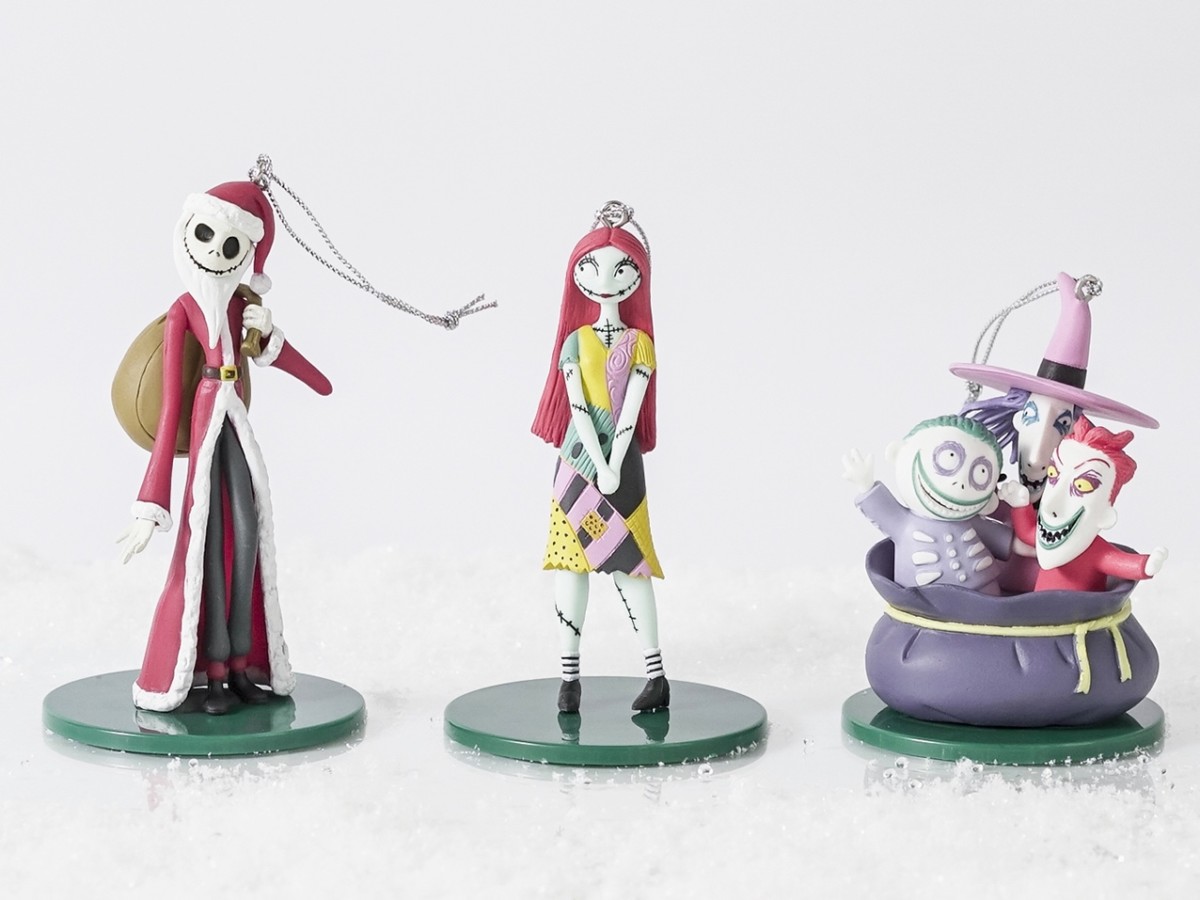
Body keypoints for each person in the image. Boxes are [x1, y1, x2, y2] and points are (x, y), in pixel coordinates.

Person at [118, 180, 332, 714]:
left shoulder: (241, 305)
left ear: (247, 256)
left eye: (231, 244)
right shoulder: (183, 311)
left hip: (234, 418)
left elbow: (290, 364)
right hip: (206, 418)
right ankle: (213, 672)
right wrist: (150, 505)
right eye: (206, 235)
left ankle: (240, 665)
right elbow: (169, 409)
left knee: (247, 530)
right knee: (208, 543)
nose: (216, 251)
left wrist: (271, 335)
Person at [531, 204, 667, 713]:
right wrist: (601, 464)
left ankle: (656, 674)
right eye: (590, 267)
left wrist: (615, 464)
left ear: (638, 277)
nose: (605, 280)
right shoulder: (574, 341)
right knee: (571, 563)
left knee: (632, 564)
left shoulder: (640, 344)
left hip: (624, 466)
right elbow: (577, 408)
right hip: (577, 462)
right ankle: (569, 678)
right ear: (576, 275)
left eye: (620, 269)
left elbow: (630, 409)